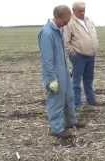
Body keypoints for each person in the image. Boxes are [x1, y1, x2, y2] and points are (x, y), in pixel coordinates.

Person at [38, 5, 84, 139]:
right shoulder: (47, 33)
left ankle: (71, 121)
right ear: (57, 17)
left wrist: (68, 68)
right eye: (65, 20)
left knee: (69, 97)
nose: (67, 23)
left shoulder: (59, 30)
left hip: (63, 72)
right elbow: (47, 60)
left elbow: (62, 53)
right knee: (56, 101)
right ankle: (57, 129)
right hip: (54, 75)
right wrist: (51, 79)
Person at [64, 1, 99, 110]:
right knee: (76, 81)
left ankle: (91, 100)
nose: (83, 12)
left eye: (84, 10)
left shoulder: (88, 20)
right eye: (80, 11)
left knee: (89, 79)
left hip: (91, 55)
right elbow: (66, 41)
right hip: (78, 56)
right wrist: (72, 53)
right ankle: (76, 104)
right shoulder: (69, 23)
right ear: (73, 11)